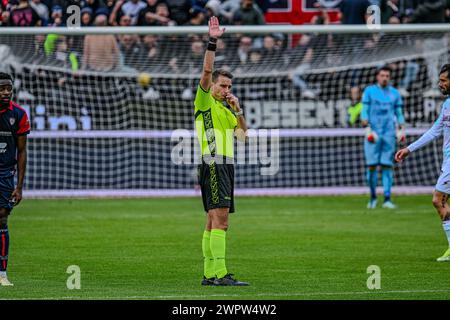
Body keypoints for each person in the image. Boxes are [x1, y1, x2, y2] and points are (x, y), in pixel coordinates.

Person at [195, 16, 249, 286]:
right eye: (222, 85)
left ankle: (209, 273)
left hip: (224, 164)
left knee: (211, 222)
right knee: (222, 222)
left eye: (229, 86)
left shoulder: (226, 110)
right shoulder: (204, 100)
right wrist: (213, 40)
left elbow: (242, 137)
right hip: (214, 162)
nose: (226, 90)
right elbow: (206, 72)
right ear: (213, 85)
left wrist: (238, 110)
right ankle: (220, 274)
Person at [395, 64, 450, 262]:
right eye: (440, 80)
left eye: (444, 80)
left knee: (438, 200)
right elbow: (435, 131)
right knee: (439, 201)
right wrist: (409, 148)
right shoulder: (446, 105)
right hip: (447, 161)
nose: (440, 84)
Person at [0, 72, 31, 286]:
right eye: (2, 88)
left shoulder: (19, 114)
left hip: (5, 173)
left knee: (1, 218)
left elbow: (22, 151)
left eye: (9, 88)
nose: (6, 92)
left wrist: (19, 187)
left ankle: (1, 273)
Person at [361, 66, 405, 209]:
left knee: (387, 165)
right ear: (377, 77)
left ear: (389, 77)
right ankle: (373, 198)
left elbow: (399, 113)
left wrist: (401, 129)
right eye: (382, 75)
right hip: (373, 134)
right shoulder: (369, 91)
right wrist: (368, 130)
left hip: (389, 134)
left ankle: (387, 199)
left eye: (387, 75)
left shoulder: (395, 93)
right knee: (372, 166)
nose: (385, 78)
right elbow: (364, 112)